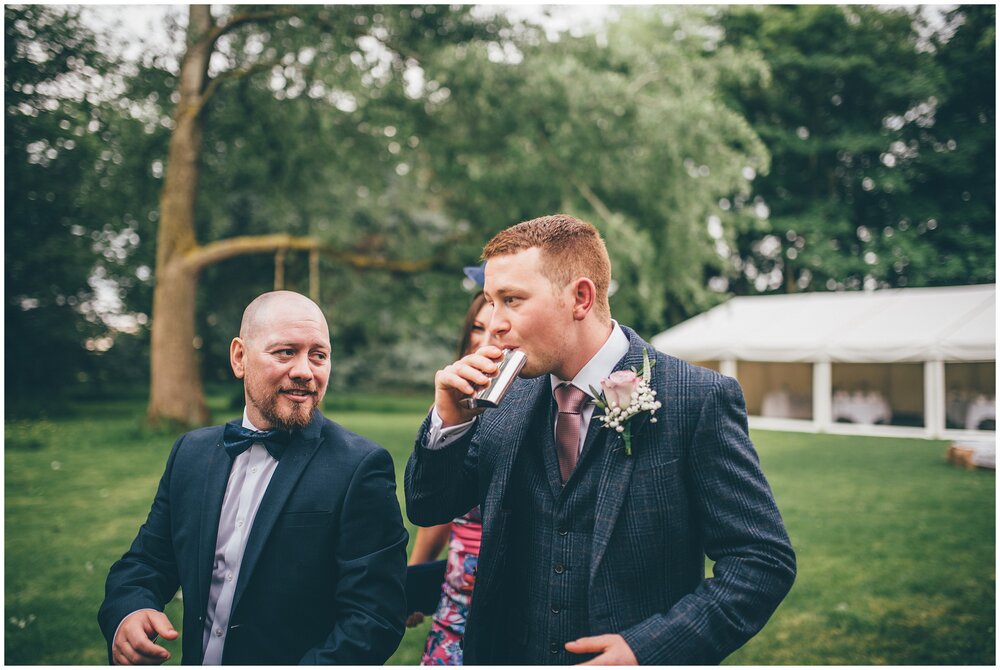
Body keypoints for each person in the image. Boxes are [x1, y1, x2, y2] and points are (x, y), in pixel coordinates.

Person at [405, 215, 796, 664]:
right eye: (491, 302)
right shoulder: (500, 399)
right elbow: (428, 507)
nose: (492, 323)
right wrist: (448, 422)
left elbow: (761, 560)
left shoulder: (696, 398)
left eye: (512, 300)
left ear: (581, 298)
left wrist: (646, 650)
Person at [99, 290, 408, 665]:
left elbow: (374, 619)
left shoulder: (360, 467)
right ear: (240, 357)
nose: (304, 370)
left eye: (318, 355)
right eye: (285, 352)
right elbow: (147, 562)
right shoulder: (190, 454)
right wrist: (129, 612)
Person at [406, 291, 490, 664]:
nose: (485, 338)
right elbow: (438, 506)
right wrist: (413, 578)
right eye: (477, 326)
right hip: (456, 592)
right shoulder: (452, 401)